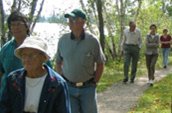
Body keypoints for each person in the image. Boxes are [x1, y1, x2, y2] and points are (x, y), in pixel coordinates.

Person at [0, 36, 71, 113]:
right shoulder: (13, 80)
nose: (27, 59)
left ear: (43, 58)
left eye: (32, 55)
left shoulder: (57, 84)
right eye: (24, 55)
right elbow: (4, 107)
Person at [55, 9, 106, 113]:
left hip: (88, 88)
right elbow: (58, 63)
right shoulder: (63, 40)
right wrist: (62, 80)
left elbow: (100, 63)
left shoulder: (92, 41)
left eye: (73, 19)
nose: (69, 22)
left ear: (82, 22)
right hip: (69, 88)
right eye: (69, 19)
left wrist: (95, 82)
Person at [0, 11, 51, 89]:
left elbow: (49, 72)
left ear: (26, 26)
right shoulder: (6, 49)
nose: (16, 27)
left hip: (32, 91)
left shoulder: (37, 48)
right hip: (7, 94)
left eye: (19, 24)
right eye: (13, 25)